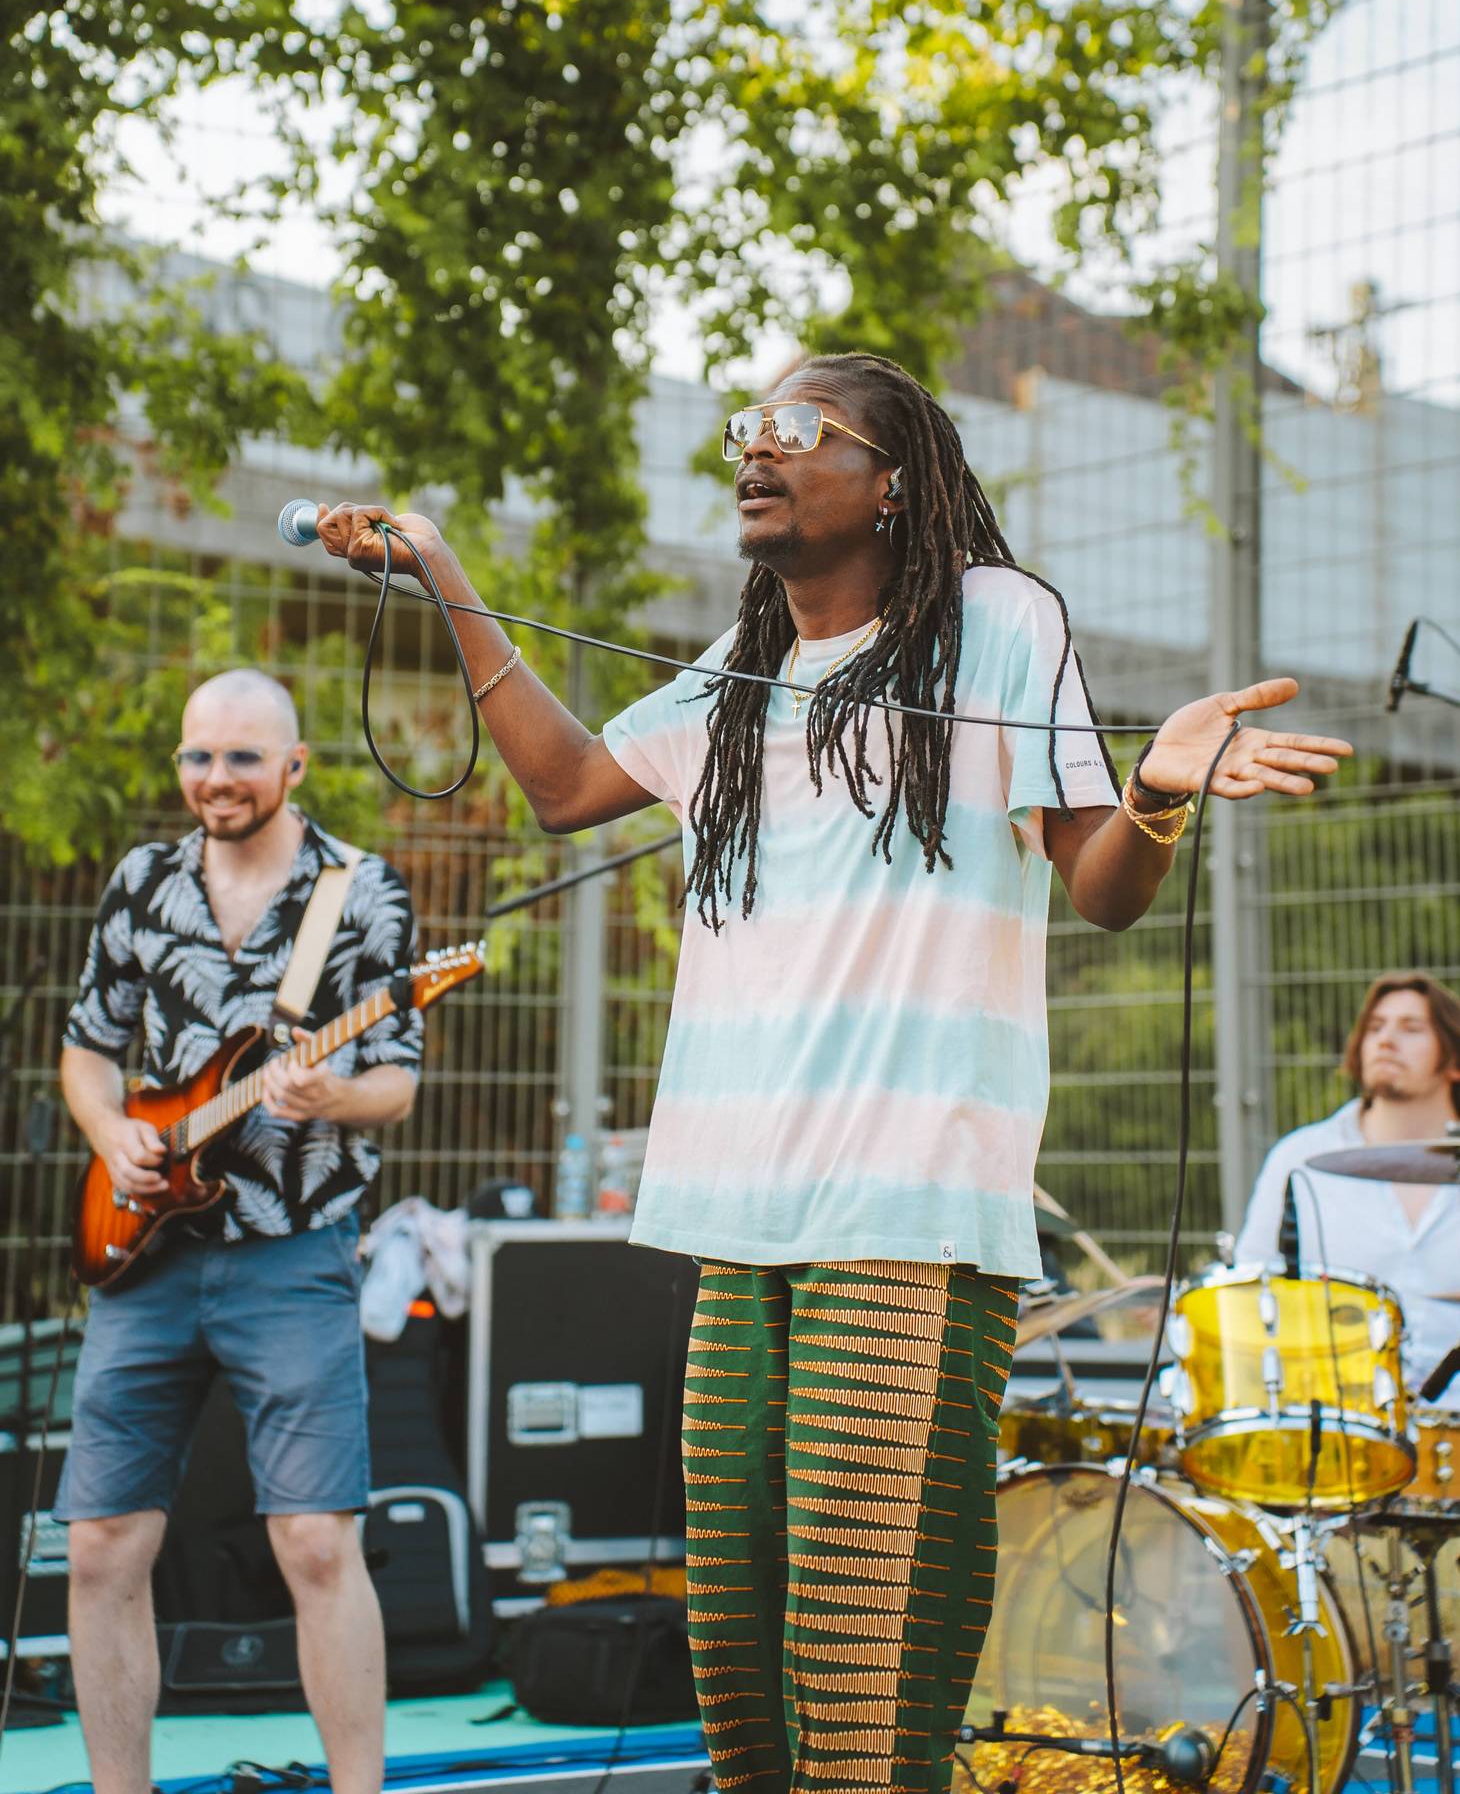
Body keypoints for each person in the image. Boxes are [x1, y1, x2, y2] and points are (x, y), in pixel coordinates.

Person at [315, 351, 1349, 1793]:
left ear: (894, 480)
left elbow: (1101, 884)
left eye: (803, 430)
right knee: (740, 1666)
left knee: (864, 1660)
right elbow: (562, 791)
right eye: (749, 429)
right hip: (738, 1218)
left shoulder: (997, 622)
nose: (758, 449)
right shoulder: (744, 672)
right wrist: (443, 574)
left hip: (910, 1208)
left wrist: (1158, 789)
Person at [55, 669, 423, 1794]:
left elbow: (396, 1084)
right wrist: (113, 1133)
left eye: (243, 758)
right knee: (102, 1545)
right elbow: (87, 1049)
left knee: (317, 1544)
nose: (216, 780)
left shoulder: (360, 894)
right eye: (198, 758)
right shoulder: (140, 881)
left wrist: (330, 1097)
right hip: (144, 1254)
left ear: (295, 765)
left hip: (295, 1250)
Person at [1236, 972, 1460, 1690]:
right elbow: (1249, 1293)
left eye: (1409, 1027)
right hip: (1343, 1415)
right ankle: (1289, 1705)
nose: (1385, 1039)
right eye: (1375, 1027)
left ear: (1455, 1059)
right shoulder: (1302, 1159)